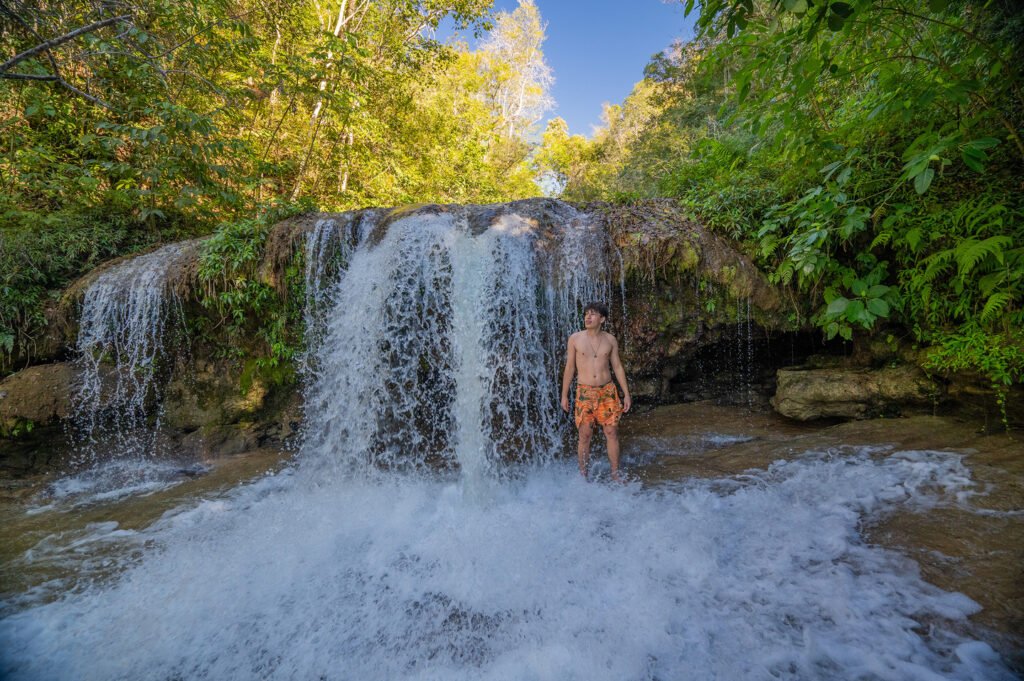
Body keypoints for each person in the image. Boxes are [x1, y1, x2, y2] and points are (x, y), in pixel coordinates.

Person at [560, 301, 632, 480]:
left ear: (602, 318)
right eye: (586, 314)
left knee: (611, 432)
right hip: (584, 392)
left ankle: (615, 474)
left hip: (607, 391)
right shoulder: (575, 339)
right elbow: (569, 368)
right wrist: (564, 395)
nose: (588, 317)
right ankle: (583, 475)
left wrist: (626, 393)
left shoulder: (610, 340)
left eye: (592, 314)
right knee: (585, 435)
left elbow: (617, 367)